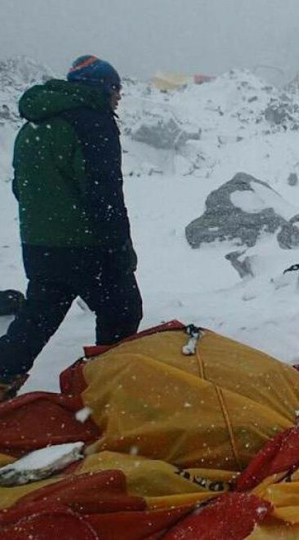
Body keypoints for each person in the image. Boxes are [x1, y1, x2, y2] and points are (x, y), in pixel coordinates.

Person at [0, 55, 142, 401]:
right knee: (122, 312)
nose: (119, 96)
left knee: (37, 318)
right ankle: (107, 391)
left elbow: (22, 188)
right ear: (101, 88)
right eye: (116, 88)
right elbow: (104, 193)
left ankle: (3, 376)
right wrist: (120, 251)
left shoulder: (33, 125)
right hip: (87, 246)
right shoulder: (92, 122)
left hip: (40, 245)